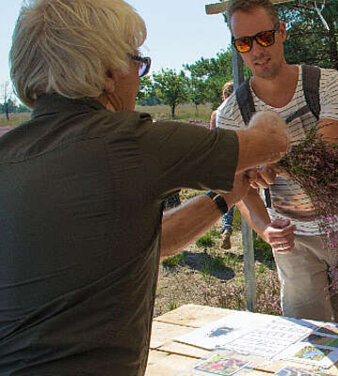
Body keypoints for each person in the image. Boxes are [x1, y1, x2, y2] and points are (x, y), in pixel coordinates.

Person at [1, 0, 289, 373]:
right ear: (107, 71)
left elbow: (155, 241)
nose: (140, 78)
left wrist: (229, 195)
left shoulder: (9, 154)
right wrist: (262, 103)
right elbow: (271, 142)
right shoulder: (129, 142)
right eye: (138, 63)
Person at [215, 0, 338, 325]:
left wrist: (266, 161)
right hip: (293, 241)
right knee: (307, 333)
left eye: (263, 37)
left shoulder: (327, 83)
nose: (256, 51)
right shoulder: (230, 115)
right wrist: (265, 229)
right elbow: (239, 189)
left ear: (282, 32)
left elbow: (325, 148)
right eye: (244, 43)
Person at [210, 81, 238, 249]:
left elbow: (212, 140)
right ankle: (255, 234)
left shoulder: (216, 114)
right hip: (243, 158)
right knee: (249, 195)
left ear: (224, 95)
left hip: (224, 161)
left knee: (227, 196)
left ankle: (227, 228)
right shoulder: (242, 112)